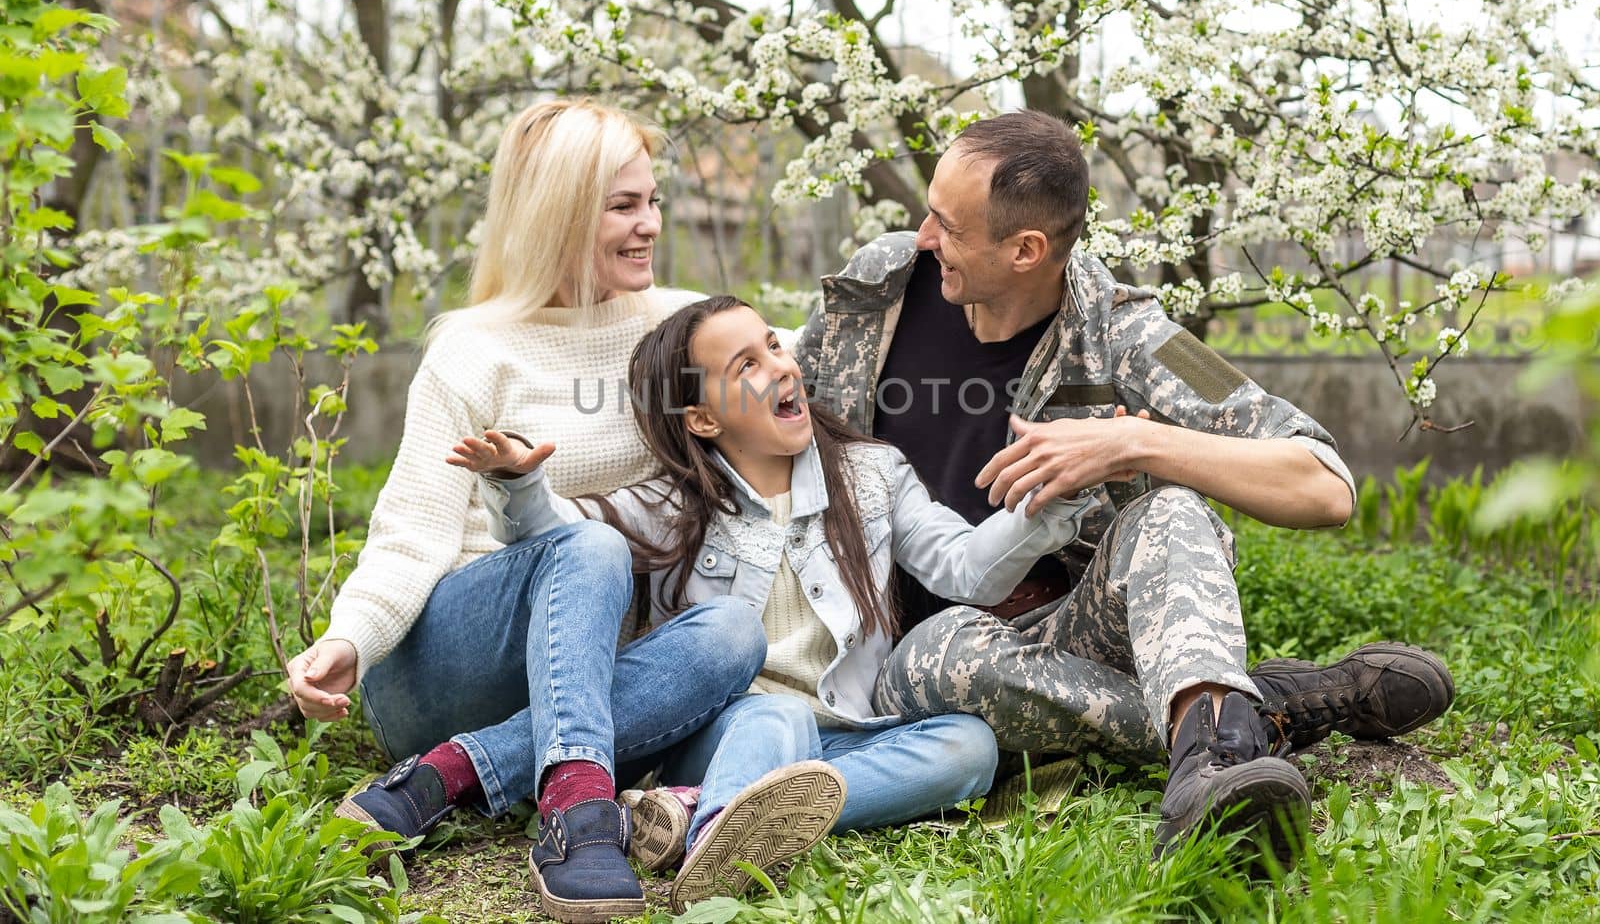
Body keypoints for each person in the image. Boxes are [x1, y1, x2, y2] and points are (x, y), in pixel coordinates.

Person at [793, 110, 1456, 862]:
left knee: (1168, 511)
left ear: (1025, 249)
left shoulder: (1135, 339)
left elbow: (1323, 483)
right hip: (912, 660)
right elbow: (783, 415)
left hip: (1068, 633)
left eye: (947, 224)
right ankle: (1242, 716)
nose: (922, 236)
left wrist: (1134, 441)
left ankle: (1210, 776)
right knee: (942, 651)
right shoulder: (874, 292)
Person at [284, 100, 768, 923]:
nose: (650, 224)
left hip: (574, 678)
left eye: (653, 201)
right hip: (447, 663)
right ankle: (579, 819)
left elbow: (797, 367)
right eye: (624, 206)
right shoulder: (474, 350)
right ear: (560, 212)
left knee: (734, 635)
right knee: (591, 547)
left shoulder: (678, 329)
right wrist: (347, 640)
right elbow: (410, 535)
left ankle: (450, 777)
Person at [450, 295, 1095, 911]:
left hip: (845, 738)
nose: (781, 367)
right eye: (747, 365)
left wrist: (1056, 497)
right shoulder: (674, 510)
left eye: (773, 345)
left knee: (970, 746)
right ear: (703, 418)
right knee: (777, 720)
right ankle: (718, 844)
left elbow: (967, 569)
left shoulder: (873, 474)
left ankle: (705, 810)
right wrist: (518, 481)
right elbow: (566, 539)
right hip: (733, 733)